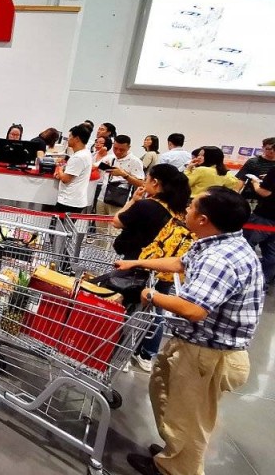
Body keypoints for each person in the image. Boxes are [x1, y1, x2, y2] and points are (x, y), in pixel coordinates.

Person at [117, 187, 263, 475]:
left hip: (209, 354)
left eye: (192, 206)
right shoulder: (215, 242)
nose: (186, 209)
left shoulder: (220, 259)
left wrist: (150, 295)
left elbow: (194, 309)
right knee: (164, 392)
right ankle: (174, 451)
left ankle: (176, 468)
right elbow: (180, 263)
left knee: (189, 419)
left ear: (203, 219)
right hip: (194, 342)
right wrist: (137, 262)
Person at [111, 164, 191, 371]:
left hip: (137, 263)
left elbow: (117, 221)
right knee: (155, 309)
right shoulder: (180, 210)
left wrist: (133, 200)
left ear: (155, 182)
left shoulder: (147, 206)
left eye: (147, 179)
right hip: (165, 268)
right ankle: (146, 354)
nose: (144, 182)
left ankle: (119, 354)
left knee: (127, 307)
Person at [95, 134, 145, 223]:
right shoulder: (110, 157)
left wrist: (124, 175)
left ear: (128, 148)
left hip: (119, 201)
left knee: (114, 228)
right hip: (102, 198)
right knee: (99, 228)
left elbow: (141, 183)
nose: (117, 152)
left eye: (122, 150)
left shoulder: (135, 161)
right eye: (115, 148)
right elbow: (94, 167)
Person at [244, 166, 275, 290]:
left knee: (246, 245)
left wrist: (256, 184)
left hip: (264, 217)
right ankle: (263, 283)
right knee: (271, 252)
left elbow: (265, 192)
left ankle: (245, 279)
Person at [53, 125, 93, 213]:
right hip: (74, 200)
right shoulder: (85, 153)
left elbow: (65, 179)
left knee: (58, 222)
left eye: (70, 136)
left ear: (77, 139)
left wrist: (59, 168)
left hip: (69, 202)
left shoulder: (78, 157)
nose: (68, 139)